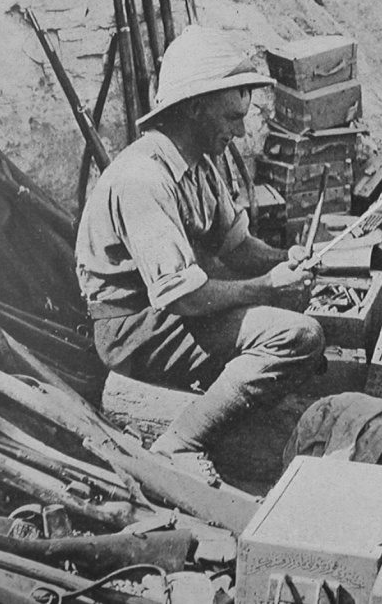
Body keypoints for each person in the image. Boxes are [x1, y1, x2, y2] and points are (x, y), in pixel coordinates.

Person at [75, 26, 326, 483]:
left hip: (173, 312)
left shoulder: (200, 164)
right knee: (297, 337)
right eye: (232, 118)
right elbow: (182, 299)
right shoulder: (143, 179)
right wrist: (267, 288)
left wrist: (283, 257)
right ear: (194, 108)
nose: (241, 131)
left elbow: (239, 248)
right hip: (137, 327)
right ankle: (181, 442)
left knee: (295, 327)